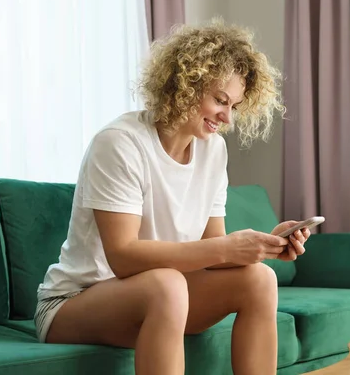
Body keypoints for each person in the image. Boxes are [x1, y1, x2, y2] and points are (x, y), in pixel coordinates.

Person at [34, 19, 311, 375]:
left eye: (235, 107)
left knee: (259, 279)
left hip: (161, 297)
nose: (226, 118)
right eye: (220, 100)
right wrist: (226, 248)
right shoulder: (121, 143)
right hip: (74, 303)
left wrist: (266, 244)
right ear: (187, 83)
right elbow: (123, 257)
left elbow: (211, 250)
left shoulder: (213, 152)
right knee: (166, 283)